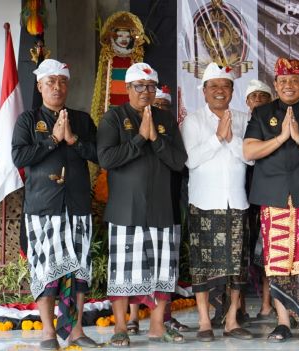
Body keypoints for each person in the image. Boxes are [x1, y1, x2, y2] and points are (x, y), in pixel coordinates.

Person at [243, 57, 299, 342]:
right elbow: (249, 151)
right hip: (275, 198)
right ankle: (283, 323)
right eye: (282, 81)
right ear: (275, 84)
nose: (288, 86)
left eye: (294, 81)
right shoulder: (262, 113)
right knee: (279, 264)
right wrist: (282, 137)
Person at [97, 63, 187, 347]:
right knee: (123, 274)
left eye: (151, 87)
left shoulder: (166, 119)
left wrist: (155, 139)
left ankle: (157, 326)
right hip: (126, 210)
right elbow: (107, 159)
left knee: (162, 272)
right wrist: (138, 139)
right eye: (140, 87)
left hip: (161, 209)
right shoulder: (114, 117)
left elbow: (178, 161)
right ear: (128, 89)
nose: (147, 92)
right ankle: (121, 327)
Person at [11, 59, 100, 350]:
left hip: (76, 207)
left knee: (79, 271)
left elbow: (101, 155)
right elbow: (19, 158)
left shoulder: (82, 119)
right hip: (43, 209)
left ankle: (75, 331)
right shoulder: (28, 119)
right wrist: (51, 140)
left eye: (62, 82)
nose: (57, 87)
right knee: (46, 272)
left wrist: (73, 140)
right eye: (50, 82)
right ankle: (48, 332)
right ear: (40, 86)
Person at [180, 62, 254, 342]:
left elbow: (250, 157)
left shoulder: (243, 118)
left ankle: (232, 320)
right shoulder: (194, 120)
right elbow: (191, 159)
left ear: (233, 90)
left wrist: (230, 137)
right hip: (204, 203)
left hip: (236, 202)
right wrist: (215, 138)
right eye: (214, 86)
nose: (220, 91)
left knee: (237, 265)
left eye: (225, 86)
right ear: (204, 91)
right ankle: (203, 322)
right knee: (202, 265)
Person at [242, 79, 275, 322]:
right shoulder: (239, 123)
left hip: (267, 197)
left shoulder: (273, 125)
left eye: (263, 97)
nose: (258, 101)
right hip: (242, 200)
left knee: (268, 255)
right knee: (242, 256)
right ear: (246, 102)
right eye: (253, 97)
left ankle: (267, 305)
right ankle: (239, 308)